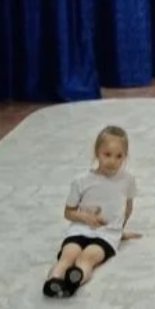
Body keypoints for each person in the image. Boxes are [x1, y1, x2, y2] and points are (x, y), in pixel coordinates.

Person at [43, 125, 141, 298]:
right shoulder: (81, 181)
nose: (113, 161)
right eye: (107, 154)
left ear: (125, 156)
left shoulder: (128, 180)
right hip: (80, 229)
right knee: (68, 255)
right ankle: (54, 280)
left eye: (119, 156)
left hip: (107, 235)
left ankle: (75, 279)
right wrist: (85, 217)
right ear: (97, 153)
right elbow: (68, 212)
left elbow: (128, 208)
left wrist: (119, 231)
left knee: (87, 258)